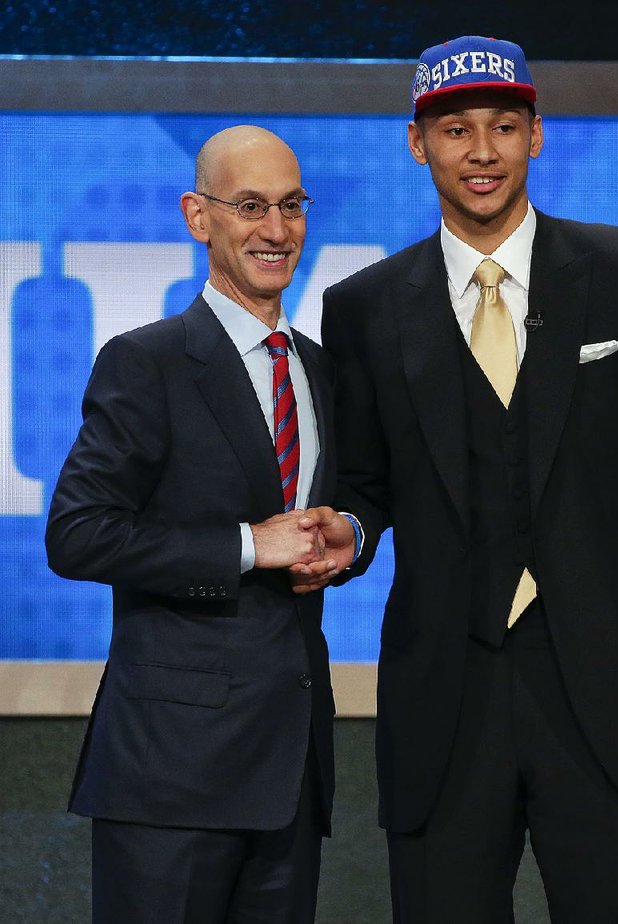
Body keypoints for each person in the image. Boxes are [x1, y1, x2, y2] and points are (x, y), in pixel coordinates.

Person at [305, 35, 618, 924]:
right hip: (444, 702)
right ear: (416, 143)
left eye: (504, 126)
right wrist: (347, 533)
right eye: (456, 129)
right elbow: (365, 481)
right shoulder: (363, 308)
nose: (481, 151)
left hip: (606, 693)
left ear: (537, 137)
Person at [45, 124, 347, 924]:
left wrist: (348, 532)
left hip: (291, 776)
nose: (275, 231)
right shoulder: (147, 362)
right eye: (250, 206)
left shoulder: (323, 370)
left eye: (291, 207)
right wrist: (249, 546)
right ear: (197, 215)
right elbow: (77, 534)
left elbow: (351, 509)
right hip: (170, 783)